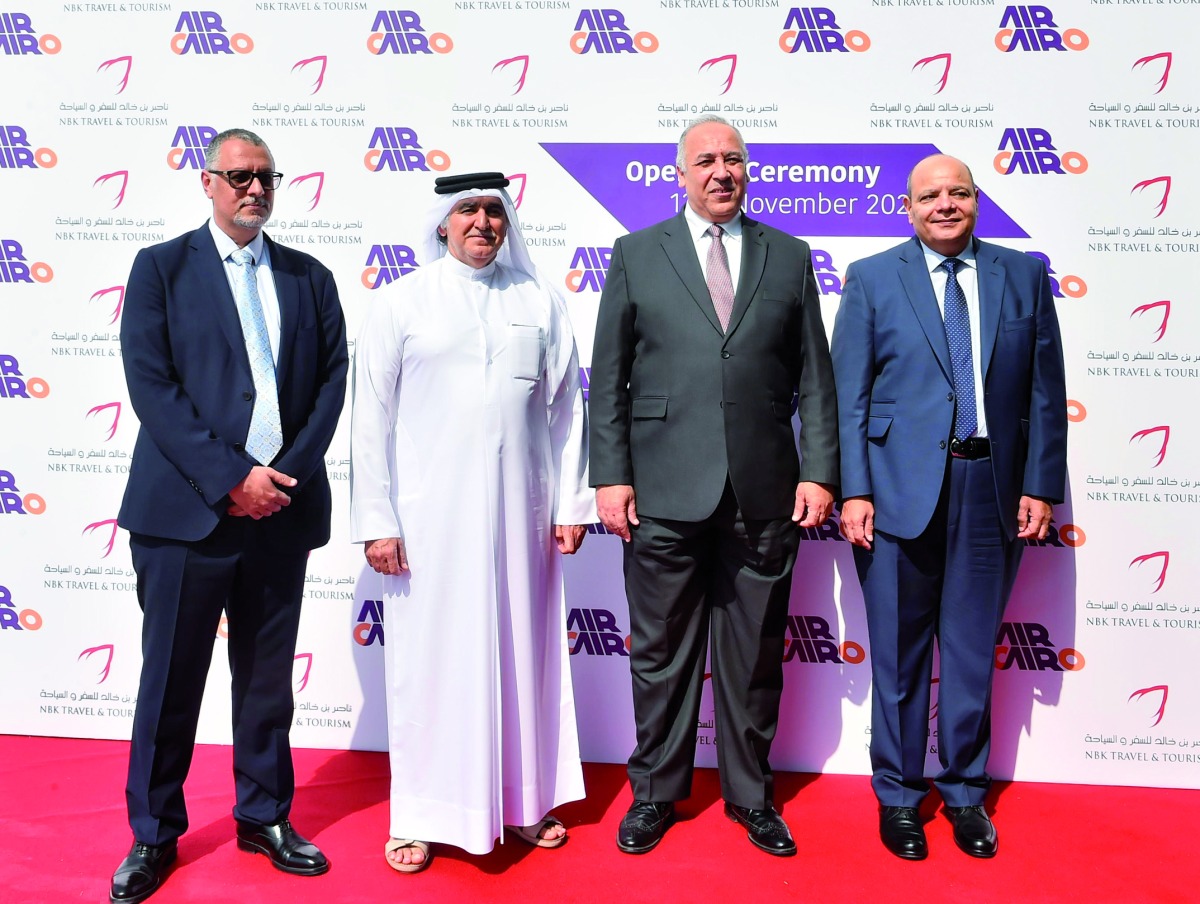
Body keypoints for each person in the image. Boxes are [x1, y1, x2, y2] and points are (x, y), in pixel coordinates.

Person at [588, 115, 839, 857]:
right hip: (662, 490)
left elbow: (815, 379)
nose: (721, 171)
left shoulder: (790, 256)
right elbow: (610, 378)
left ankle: (752, 797)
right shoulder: (636, 253)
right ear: (680, 174)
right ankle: (655, 794)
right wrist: (611, 475)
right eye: (705, 160)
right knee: (660, 652)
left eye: (733, 159)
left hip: (764, 492)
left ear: (748, 169)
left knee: (754, 653)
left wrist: (819, 470)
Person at [109, 128, 347, 904]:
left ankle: (264, 815)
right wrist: (232, 478)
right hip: (186, 515)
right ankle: (153, 833)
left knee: (267, 681)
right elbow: (153, 387)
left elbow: (331, 384)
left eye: (266, 178)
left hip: (281, 512)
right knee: (170, 681)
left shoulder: (310, 277)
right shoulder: (161, 269)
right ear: (207, 182)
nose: (255, 189)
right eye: (240, 176)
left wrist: (280, 480)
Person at [349, 172, 592, 873]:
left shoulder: (539, 300)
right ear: (442, 223)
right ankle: (421, 813)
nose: (482, 222)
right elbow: (370, 418)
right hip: (429, 524)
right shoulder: (401, 301)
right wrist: (377, 520)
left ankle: (524, 800)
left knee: (524, 655)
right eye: (467, 211)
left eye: (493, 210)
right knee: (431, 664)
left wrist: (571, 504)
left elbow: (566, 413)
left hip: (524, 519)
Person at [830, 154, 1067, 861]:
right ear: (908, 208)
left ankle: (964, 792)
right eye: (929, 195)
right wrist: (855, 490)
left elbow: (1045, 393)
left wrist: (1039, 485)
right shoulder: (872, 277)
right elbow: (849, 398)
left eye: (958, 193)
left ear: (976, 201)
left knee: (968, 651)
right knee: (899, 655)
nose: (945, 205)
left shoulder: (1022, 275)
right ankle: (900, 796)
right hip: (895, 493)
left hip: (991, 489)